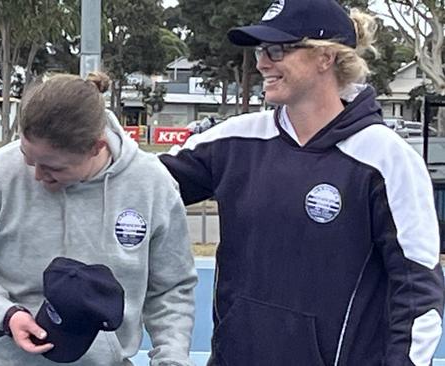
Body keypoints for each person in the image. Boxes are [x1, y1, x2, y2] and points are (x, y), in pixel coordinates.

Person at [159, 0, 444, 365]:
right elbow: (137, 185)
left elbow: (418, 293)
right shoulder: (232, 142)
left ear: (325, 57)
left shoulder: (387, 159)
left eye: (277, 49)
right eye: (261, 50)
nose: (262, 62)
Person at [0, 73, 198, 365]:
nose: (37, 175)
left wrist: (172, 360)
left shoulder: (153, 185)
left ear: (97, 147)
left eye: (53, 167)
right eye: (28, 158)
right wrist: (3, 313)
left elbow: (172, 289)